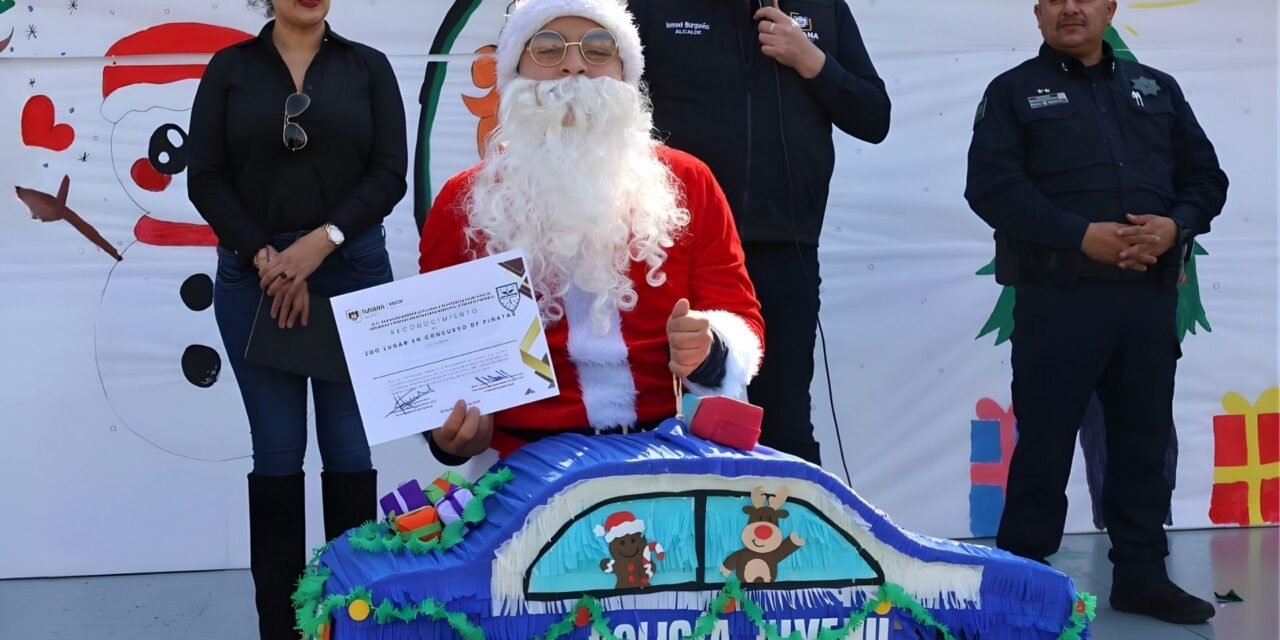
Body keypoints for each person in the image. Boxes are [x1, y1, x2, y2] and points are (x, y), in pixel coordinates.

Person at [965, 0, 1226, 625]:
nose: (1070, 8)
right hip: (1060, 301)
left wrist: (1175, 226)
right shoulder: (1013, 92)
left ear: (1110, 8)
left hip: (1146, 300)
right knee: (1045, 446)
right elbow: (992, 187)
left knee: (1141, 444)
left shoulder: (1156, 89)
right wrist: (1079, 235)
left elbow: (1206, 179)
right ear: (1037, 13)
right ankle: (1022, 583)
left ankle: (1140, 577)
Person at [418, 0, 764, 464]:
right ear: (515, 71)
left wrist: (712, 345)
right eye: (548, 48)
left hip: (672, 448)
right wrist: (449, 435)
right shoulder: (463, 201)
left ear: (625, 73)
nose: (574, 64)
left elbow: (739, 314)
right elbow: (436, 358)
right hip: (523, 459)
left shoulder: (689, 181)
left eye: (598, 49)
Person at [187, 0, 407, 636]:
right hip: (257, 278)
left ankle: (354, 624)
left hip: (351, 274)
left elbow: (389, 172)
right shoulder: (228, 69)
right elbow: (206, 178)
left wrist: (318, 245)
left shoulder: (369, 67)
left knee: (348, 449)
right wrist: (269, 259)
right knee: (277, 452)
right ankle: (281, 629)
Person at [628, 0, 891, 465]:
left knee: (784, 420)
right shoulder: (650, 6)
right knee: (662, 410)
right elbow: (614, 106)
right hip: (671, 252)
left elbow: (875, 118)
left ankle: (791, 533)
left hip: (784, 251)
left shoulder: (823, 9)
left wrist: (812, 61)